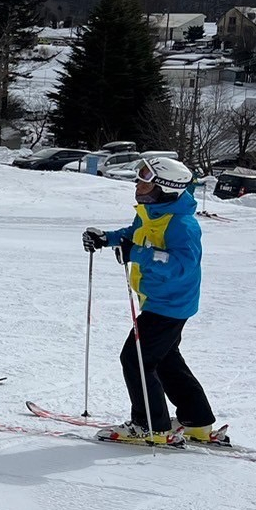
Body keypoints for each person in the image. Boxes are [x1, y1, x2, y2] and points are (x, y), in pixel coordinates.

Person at [82, 156, 216, 445]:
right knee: (165, 359)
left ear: (165, 188)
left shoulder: (183, 225)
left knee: (136, 359)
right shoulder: (151, 211)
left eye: (146, 180)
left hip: (170, 304)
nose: (138, 184)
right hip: (160, 300)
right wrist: (107, 238)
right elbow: (134, 235)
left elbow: (182, 265)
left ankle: (151, 426)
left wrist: (137, 254)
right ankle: (197, 419)